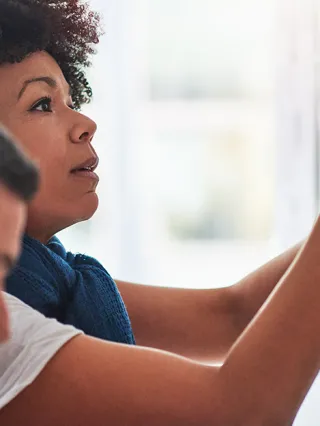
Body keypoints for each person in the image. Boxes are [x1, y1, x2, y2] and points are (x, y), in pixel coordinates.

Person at [0, 0, 320, 424]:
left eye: (71, 99)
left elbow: (232, 316)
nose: (84, 122)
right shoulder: (10, 325)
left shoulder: (63, 286)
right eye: (42, 103)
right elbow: (241, 410)